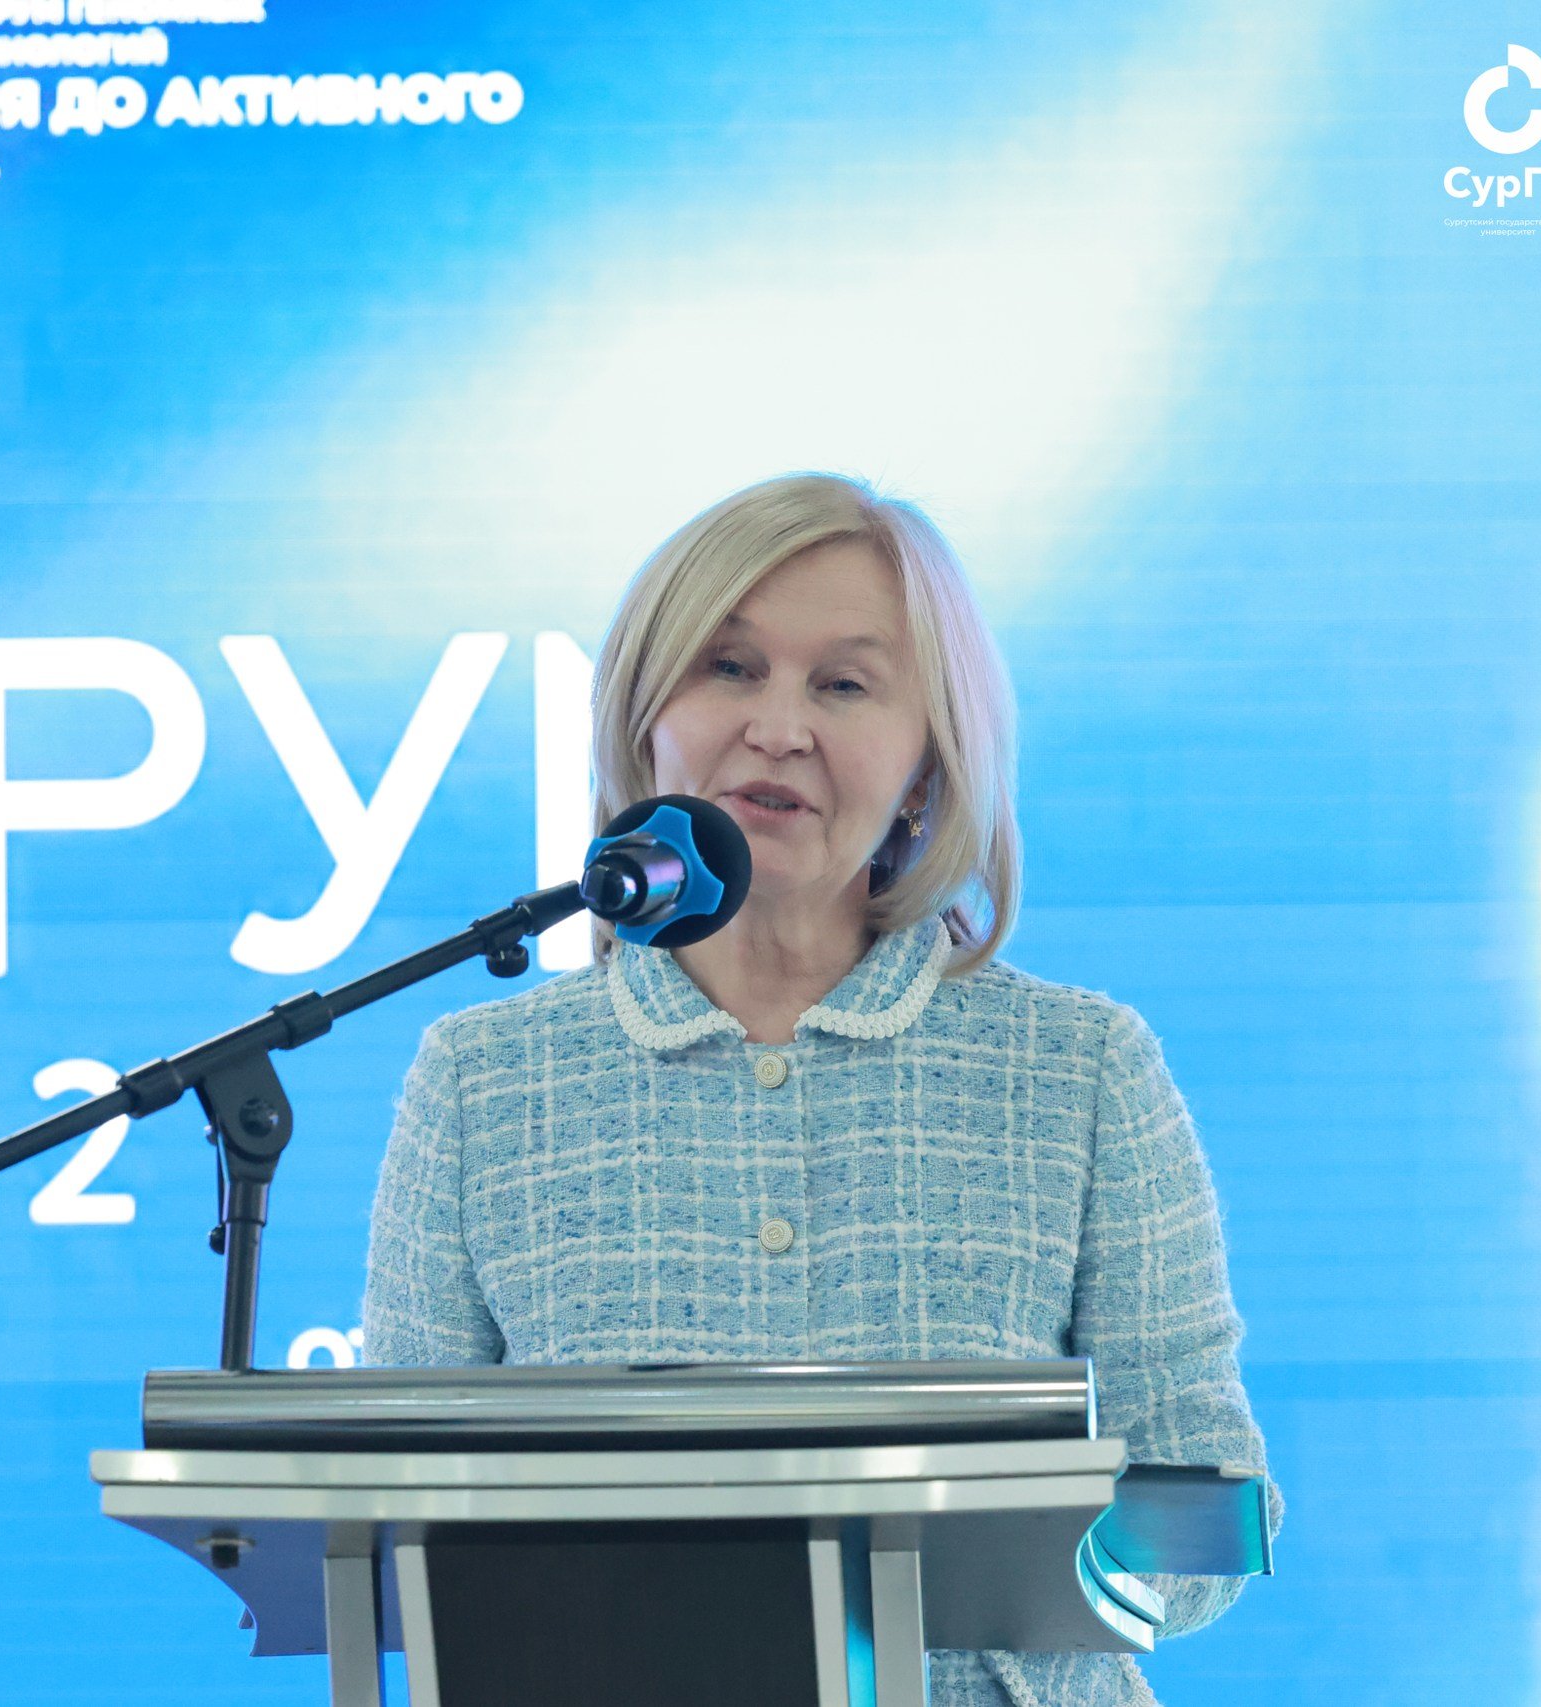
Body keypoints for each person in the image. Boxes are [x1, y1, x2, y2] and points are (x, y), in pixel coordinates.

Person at [362, 473, 1274, 1707]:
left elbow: (1206, 1493)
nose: (778, 727)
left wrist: (1019, 1558)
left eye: (842, 685)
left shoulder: (1080, 1066)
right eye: (729, 667)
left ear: (925, 767)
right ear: (644, 718)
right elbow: (393, 1512)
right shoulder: (482, 1082)